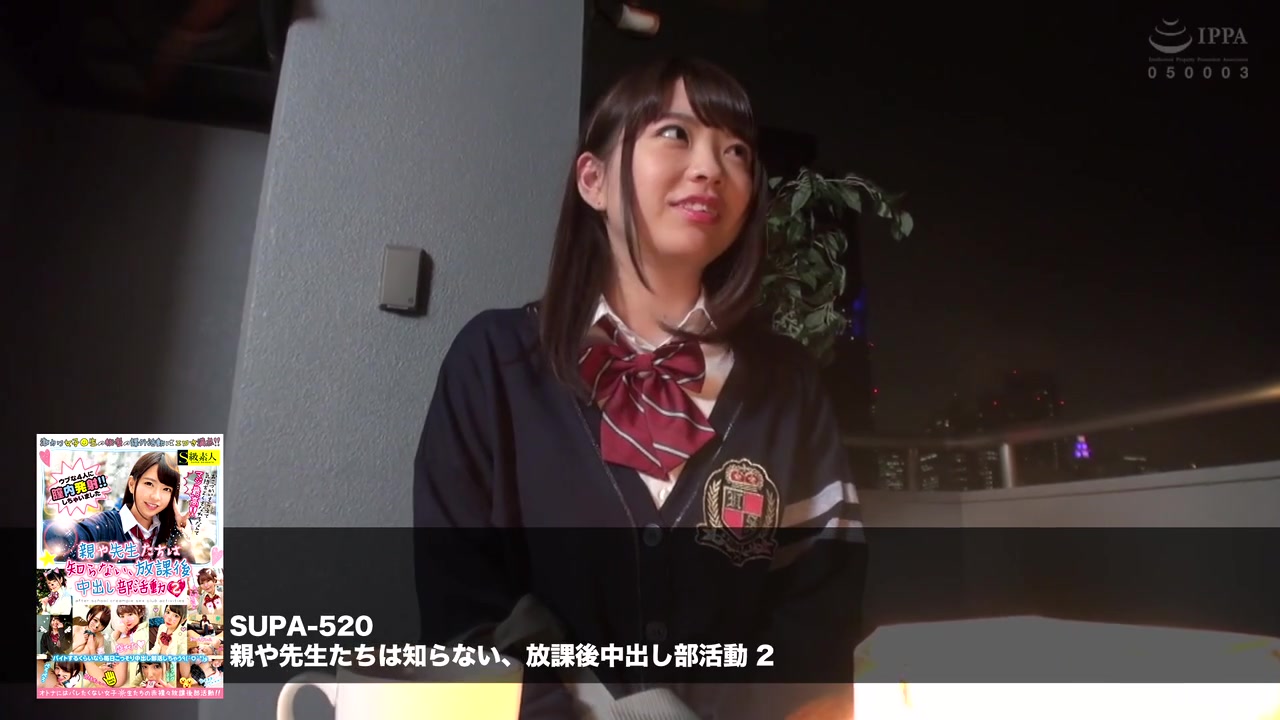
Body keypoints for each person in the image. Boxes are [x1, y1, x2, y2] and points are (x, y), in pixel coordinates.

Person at [414, 56, 866, 719]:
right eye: (675, 133)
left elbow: (820, 609)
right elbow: (460, 605)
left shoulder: (787, 386)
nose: (711, 167)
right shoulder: (493, 362)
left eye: (736, 151)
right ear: (593, 181)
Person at [51, 452, 193, 562]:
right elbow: (73, 538)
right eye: (149, 484)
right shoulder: (105, 525)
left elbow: (190, 577)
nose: (156, 496)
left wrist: (181, 534)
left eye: (166, 489)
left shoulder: (169, 534)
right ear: (132, 484)